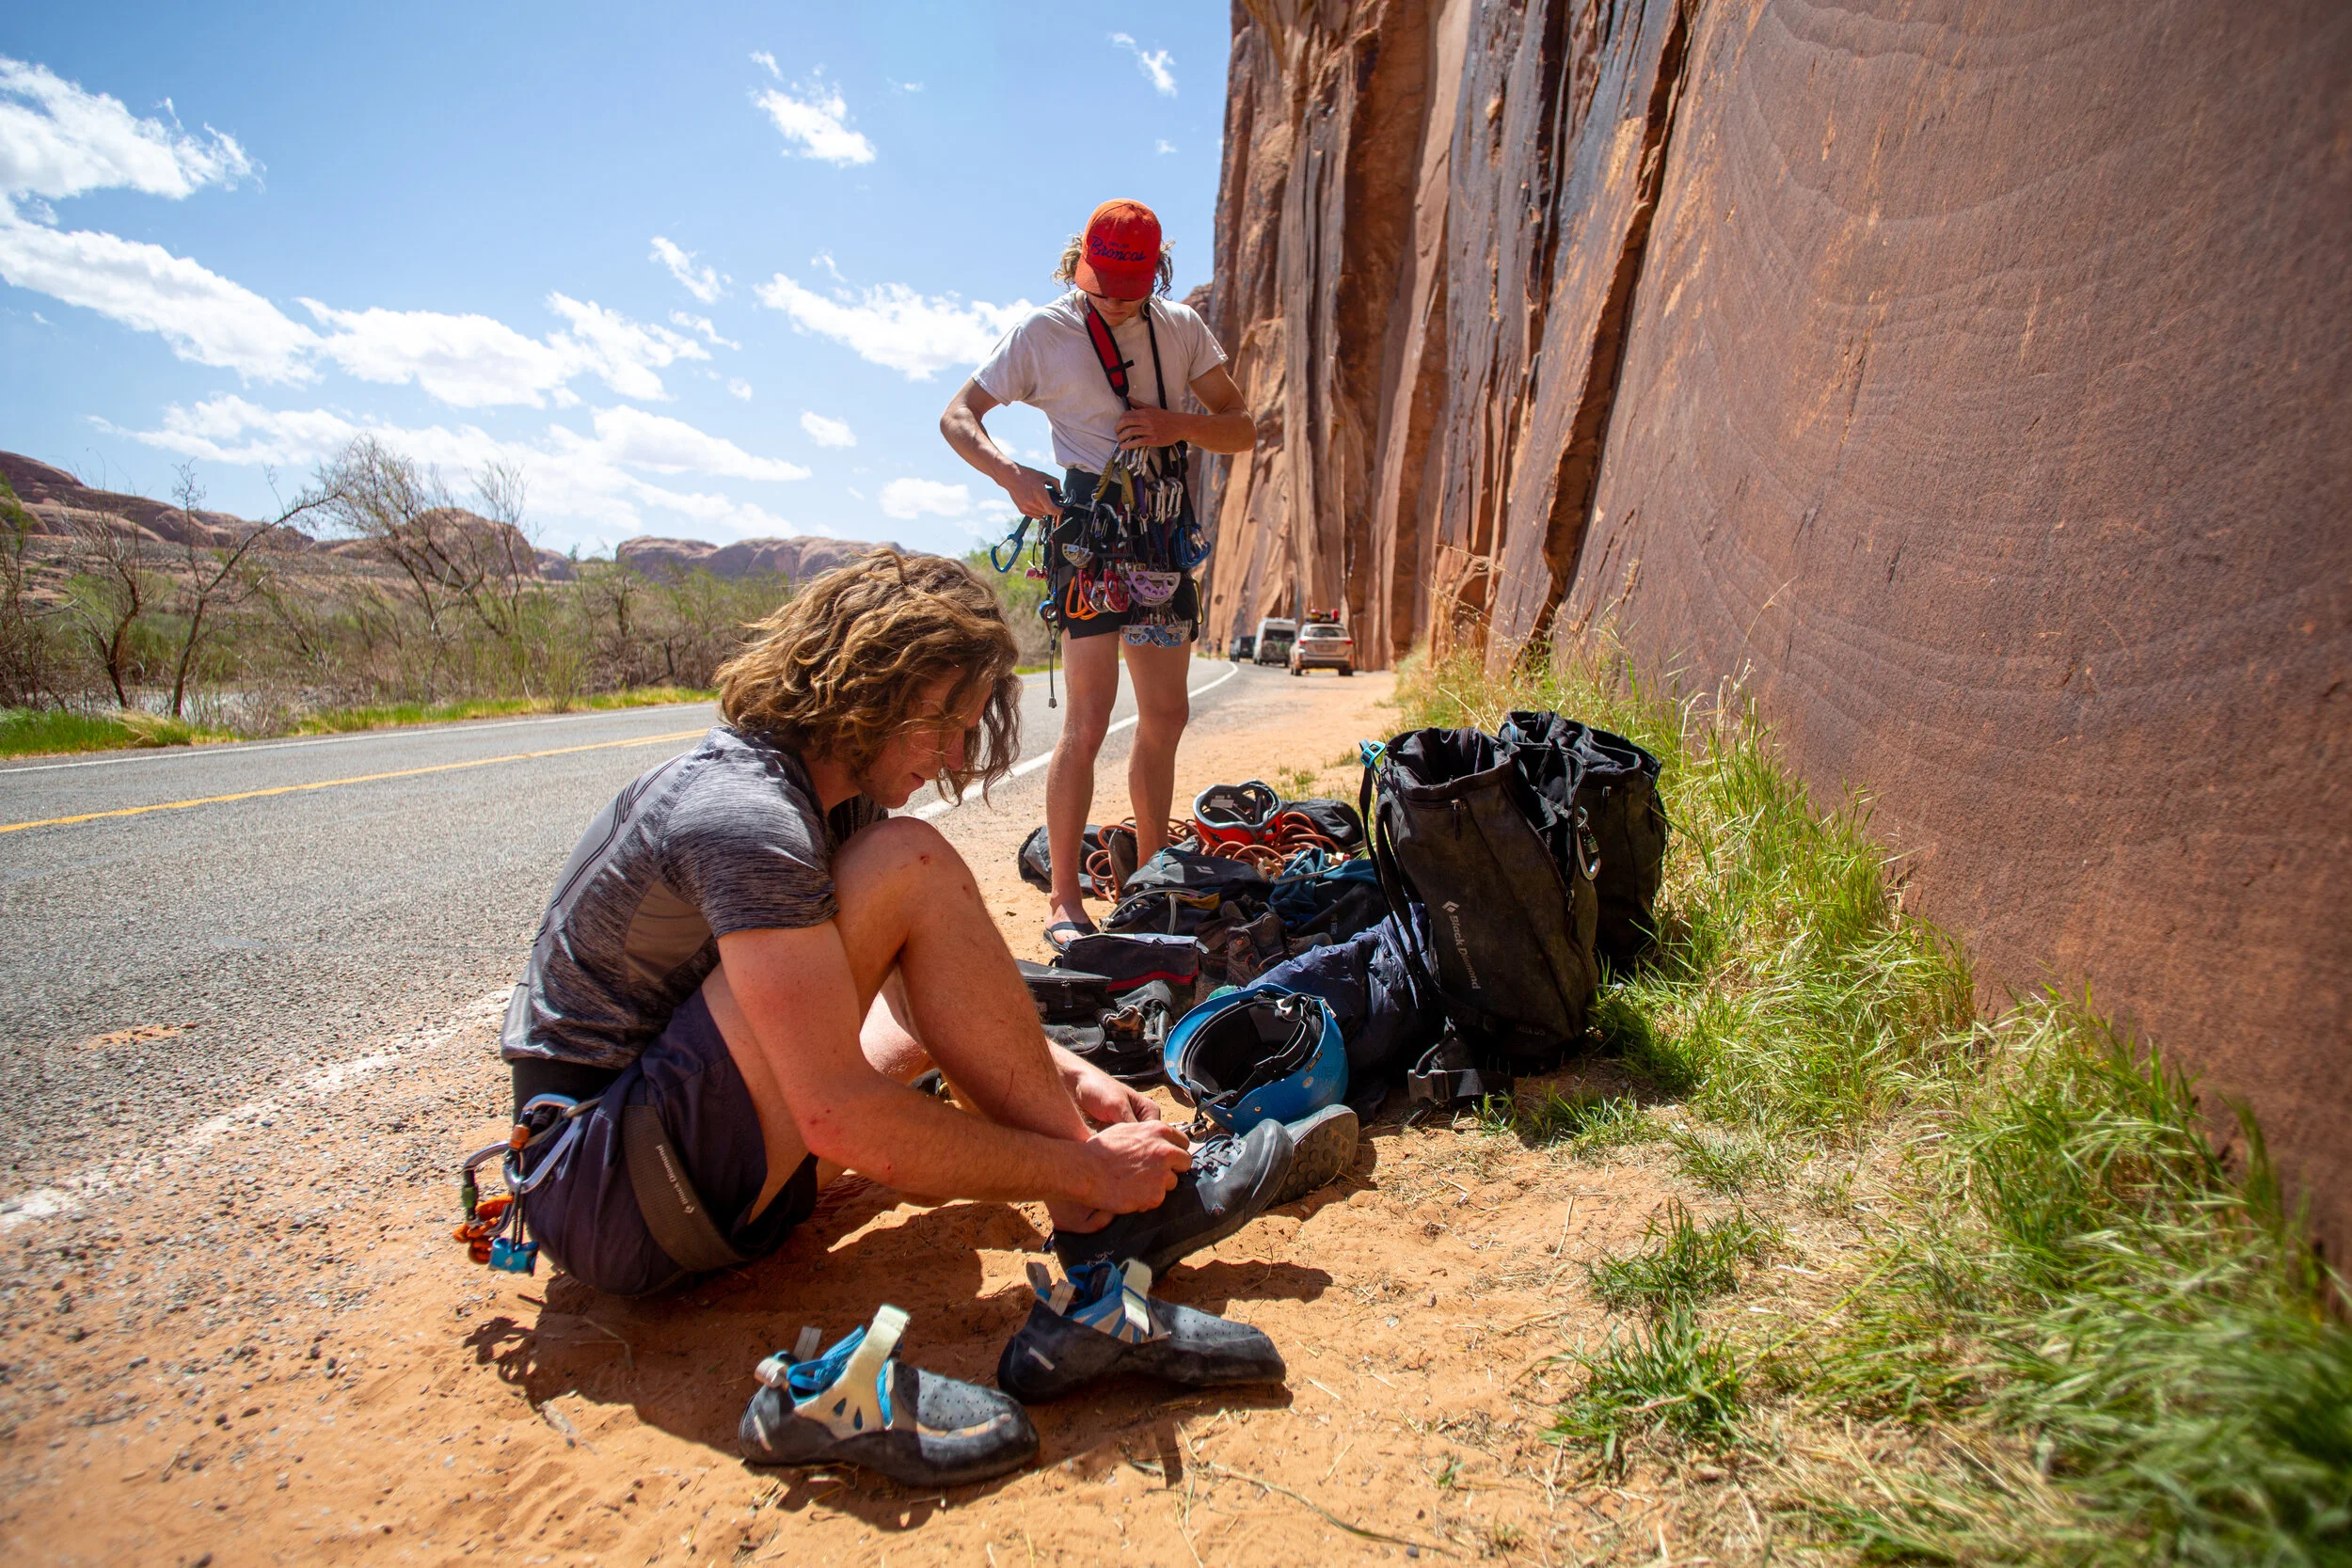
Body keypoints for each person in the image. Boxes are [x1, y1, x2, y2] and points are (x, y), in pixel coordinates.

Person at [495, 549, 1295, 1299]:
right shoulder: (747, 817)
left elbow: (917, 995)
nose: (953, 754)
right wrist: (1083, 1167)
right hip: (613, 1183)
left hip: (666, 1176)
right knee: (912, 862)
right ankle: (1108, 1209)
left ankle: (1091, 1177)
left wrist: (1073, 1076)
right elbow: (831, 1112)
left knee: (927, 1028)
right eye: (941, 722)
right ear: (871, 683)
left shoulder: (831, 802)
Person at [940, 198, 1257, 946]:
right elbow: (959, 415)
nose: (1111, 298)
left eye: (1127, 286)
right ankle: (1063, 901)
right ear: (1080, 262)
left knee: (1167, 715)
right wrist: (1010, 473)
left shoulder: (1180, 329)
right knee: (1087, 718)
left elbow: (1241, 427)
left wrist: (1179, 424)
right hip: (1088, 536)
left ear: (1156, 273)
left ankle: (1150, 880)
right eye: (1100, 281)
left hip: (1163, 535)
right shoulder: (1043, 332)